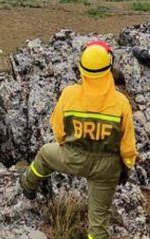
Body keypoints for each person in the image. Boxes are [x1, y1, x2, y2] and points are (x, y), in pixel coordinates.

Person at [20, 41, 137, 239]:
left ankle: (28, 184)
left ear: (82, 70)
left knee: (45, 154)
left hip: (73, 157)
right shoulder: (121, 103)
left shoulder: (69, 94)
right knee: (99, 221)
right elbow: (127, 145)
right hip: (107, 167)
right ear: (109, 69)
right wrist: (127, 165)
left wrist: (67, 146)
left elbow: (58, 130)